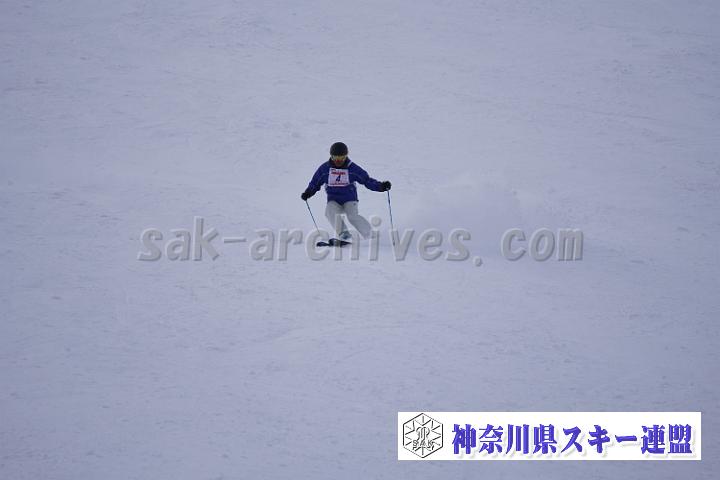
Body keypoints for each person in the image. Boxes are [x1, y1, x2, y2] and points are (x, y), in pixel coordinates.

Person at [301, 142, 391, 240]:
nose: (338, 161)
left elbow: (366, 180)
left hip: (350, 200)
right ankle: (344, 234)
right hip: (334, 200)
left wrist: (381, 186)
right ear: (331, 156)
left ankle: (370, 235)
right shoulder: (325, 169)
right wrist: (308, 192)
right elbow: (315, 182)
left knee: (352, 216)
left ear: (346, 156)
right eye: (335, 158)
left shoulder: (352, 168)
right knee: (329, 211)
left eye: (342, 158)